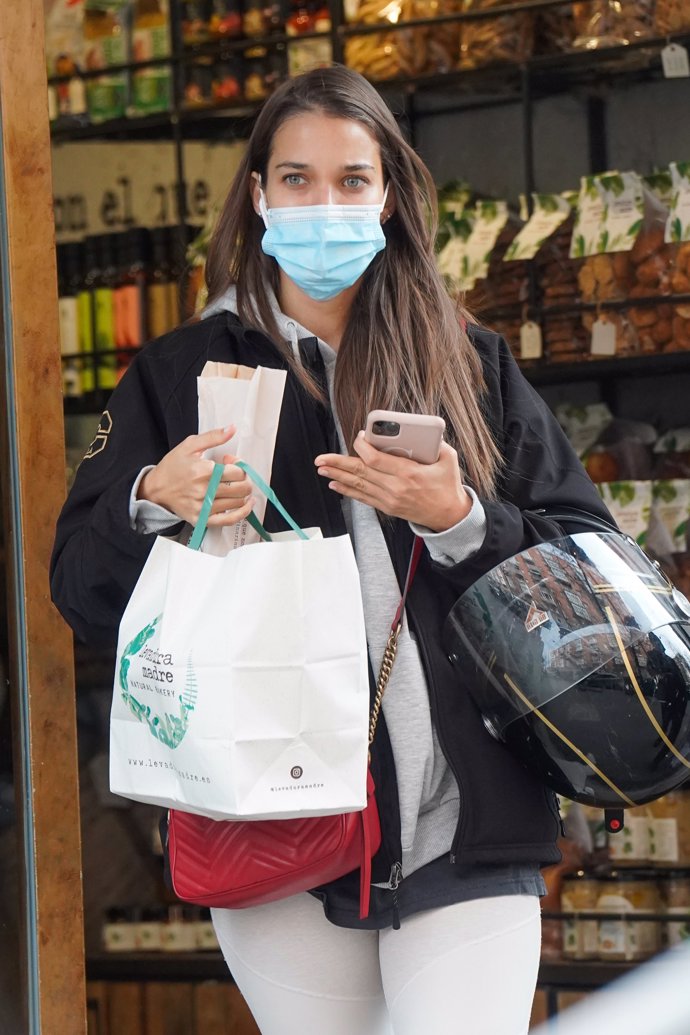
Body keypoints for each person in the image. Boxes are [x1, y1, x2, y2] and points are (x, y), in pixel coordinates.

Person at [51, 65, 613, 1035]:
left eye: (352, 180)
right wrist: (150, 501)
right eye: (297, 179)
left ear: (387, 196)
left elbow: (587, 568)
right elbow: (79, 589)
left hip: (465, 818)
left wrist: (460, 519)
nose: (324, 204)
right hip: (271, 824)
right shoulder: (180, 374)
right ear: (259, 195)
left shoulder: (465, 363)